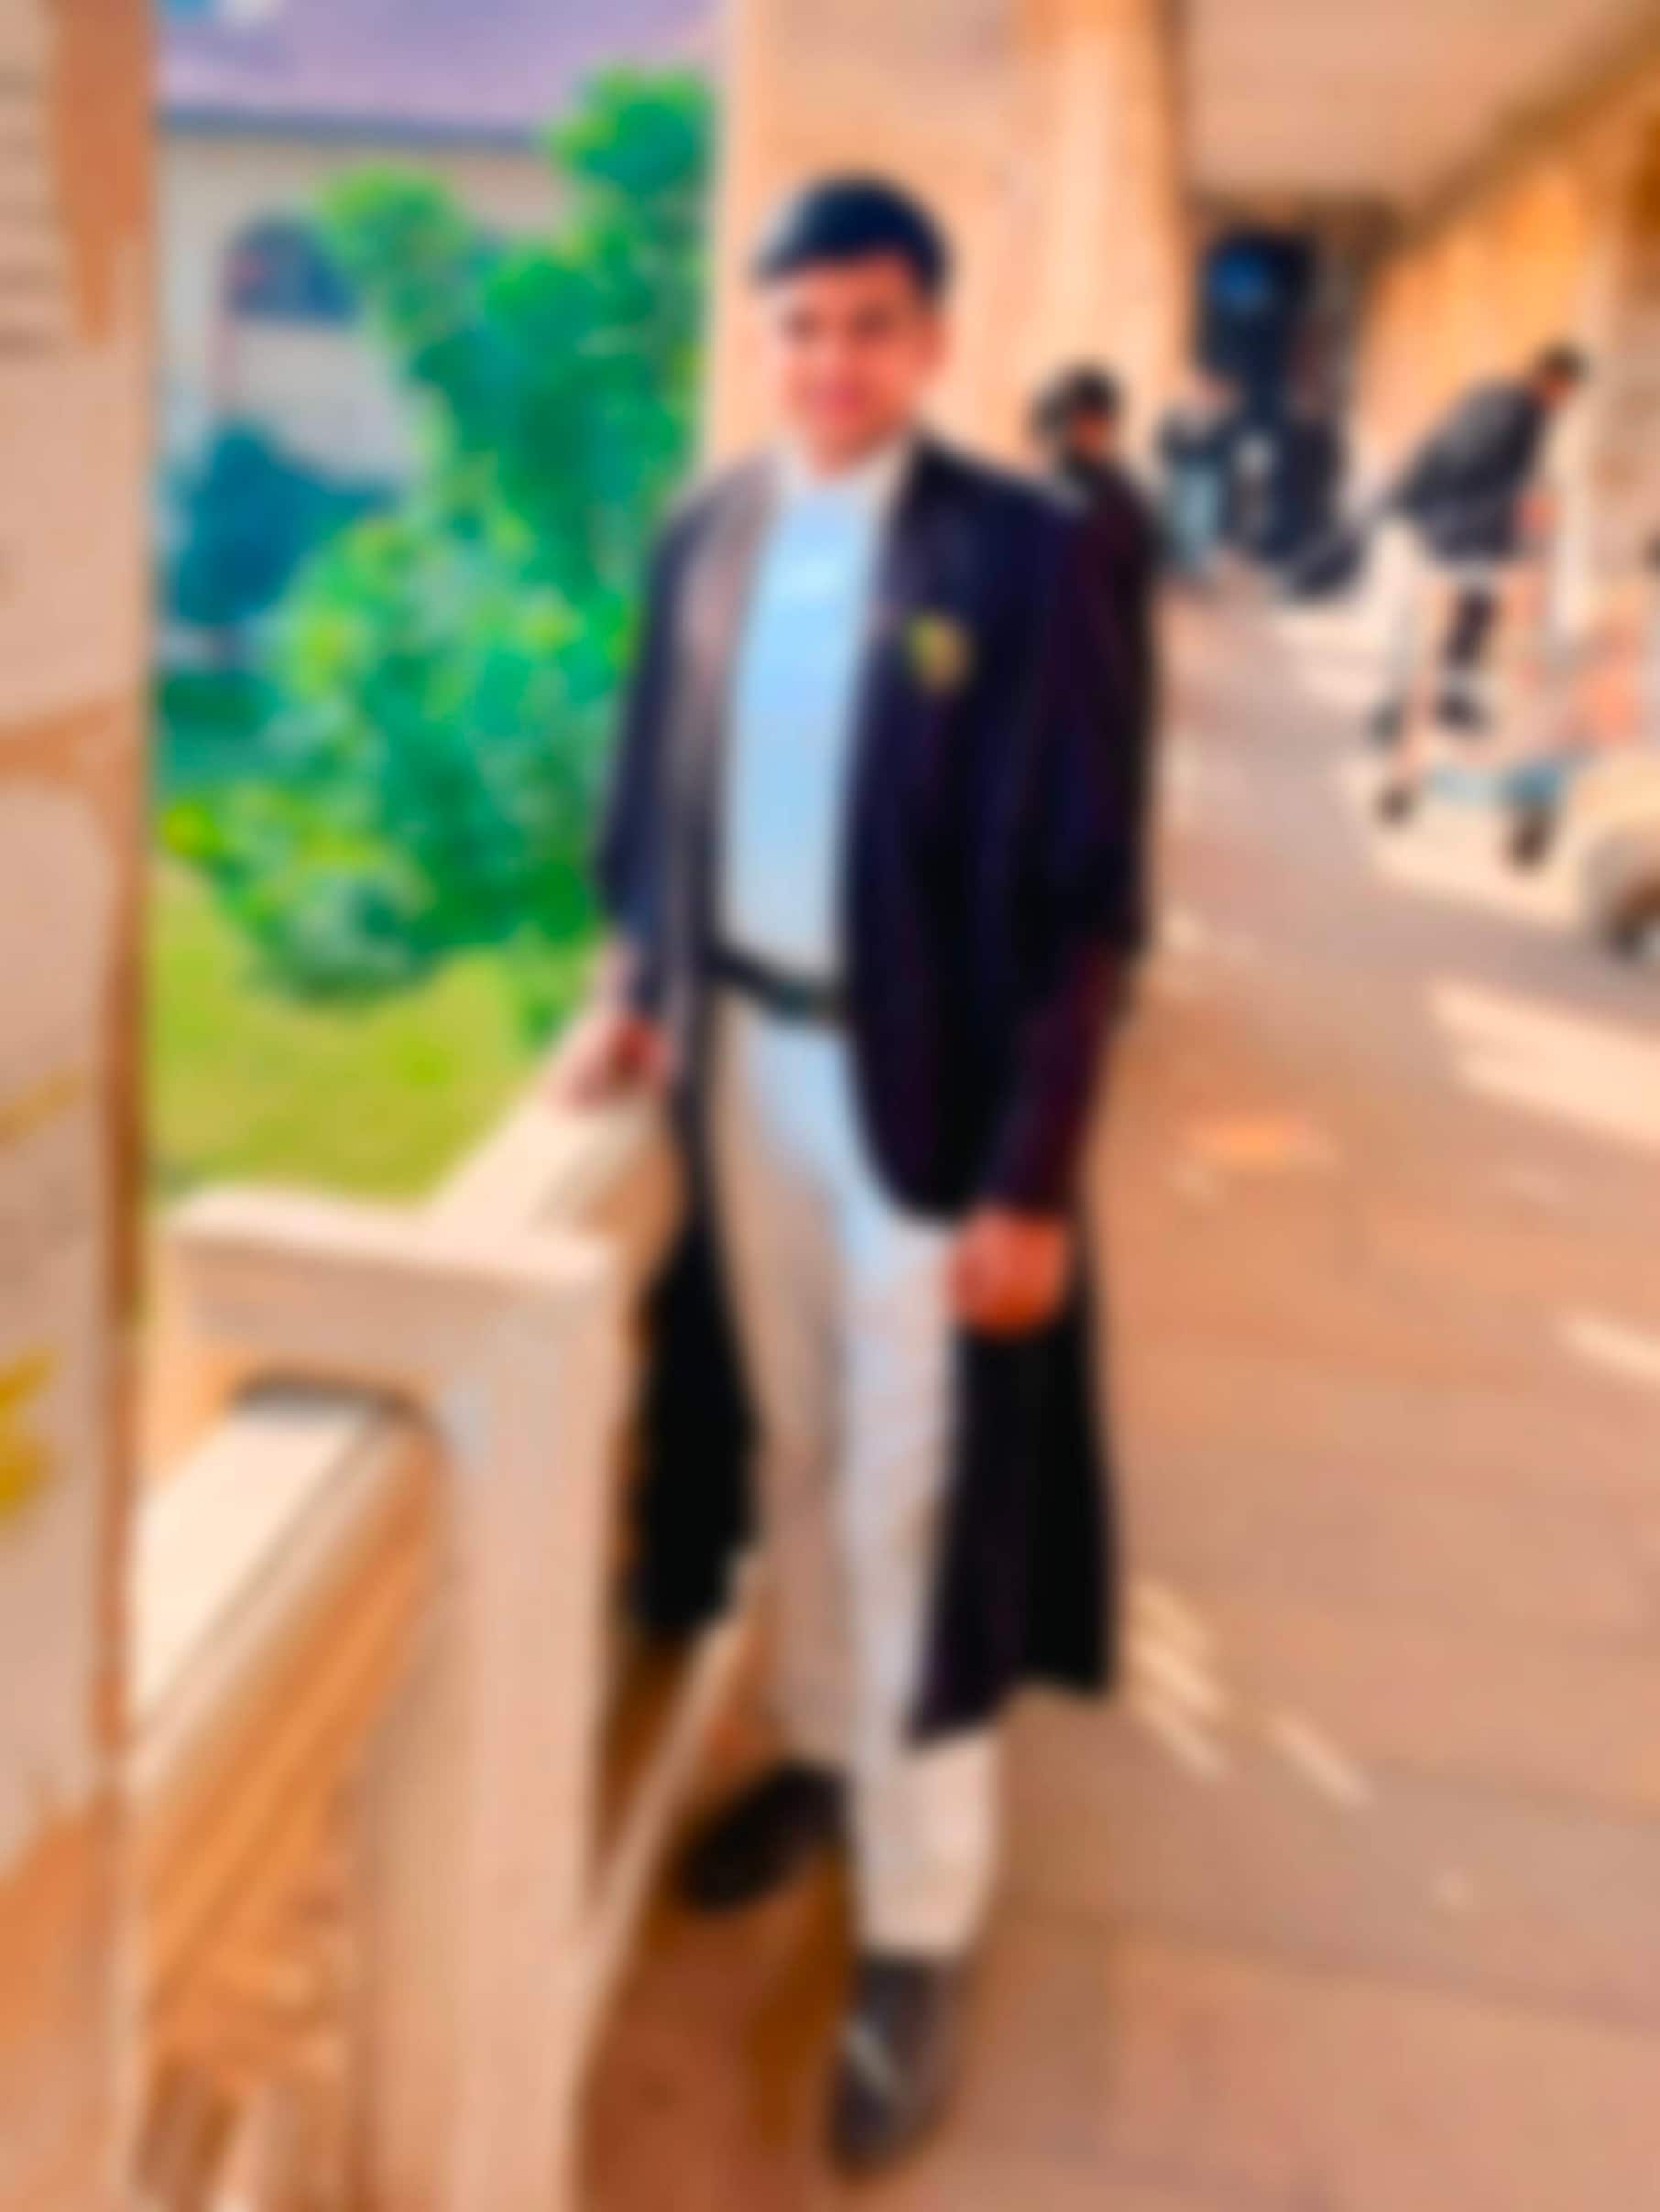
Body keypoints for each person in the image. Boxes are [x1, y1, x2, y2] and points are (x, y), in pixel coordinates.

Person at [558, 176, 1136, 2173]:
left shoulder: (1024, 555)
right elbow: (652, 796)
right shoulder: (710, 532)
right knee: (802, 1448)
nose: (830, 361)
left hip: (930, 1109)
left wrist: (1033, 1178)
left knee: (916, 1510)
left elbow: (1086, 899)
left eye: (870, 325)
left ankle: (918, 1926)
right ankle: (819, 1748)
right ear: (764, 336)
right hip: (744, 1073)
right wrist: (631, 986)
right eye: (799, 325)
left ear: (933, 340)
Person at [1371, 342, 1589, 822]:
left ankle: (1408, 760)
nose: (1566, 403)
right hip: (1479, 544)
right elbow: (1503, 482)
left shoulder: (1486, 396)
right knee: (1504, 652)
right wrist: (1527, 525)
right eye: (1568, 393)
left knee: (1434, 646)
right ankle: (1496, 767)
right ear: (1557, 382)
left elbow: (1445, 457)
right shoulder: (1526, 413)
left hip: (1441, 537)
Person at [1030, 363, 1160, 962]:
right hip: (1100, 674)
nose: (1069, 434)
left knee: (1089, 807)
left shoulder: (1103, 501)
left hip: (1096, 678)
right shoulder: (1114, 494)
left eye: (1078, 422)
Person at [1157, 367, 1236, 583]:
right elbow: (1165, 442)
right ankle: (1177, 562)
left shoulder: (1222, 420)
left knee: (1199, 522)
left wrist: (1202, 439)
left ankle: (1192, 566)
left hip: (1206, 477)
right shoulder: (1179, 415)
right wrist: (1184, 443)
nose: (1202, 394)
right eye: (1200, 388)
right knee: (1178, 519)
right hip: (1181, 472)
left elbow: (1224, 452)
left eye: (1207, 389)